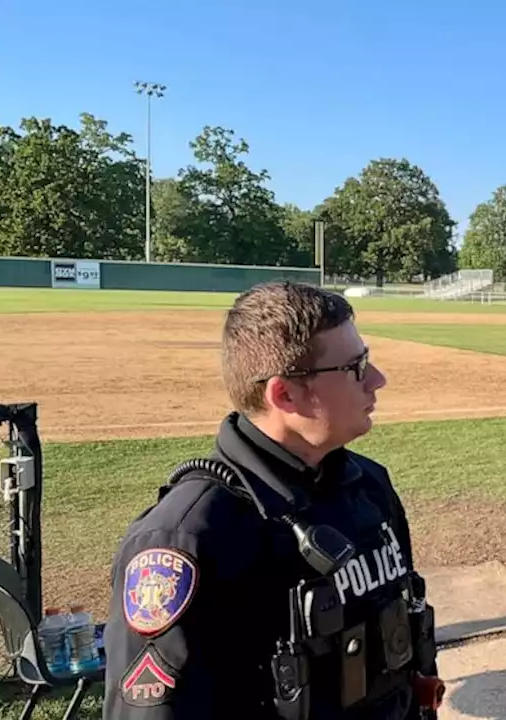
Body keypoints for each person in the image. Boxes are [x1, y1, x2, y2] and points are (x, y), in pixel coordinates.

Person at [102, 281, 443, 719]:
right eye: (356, 367)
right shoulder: (187, 538)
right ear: (284, 394)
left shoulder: (369, 485)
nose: (377, 380)